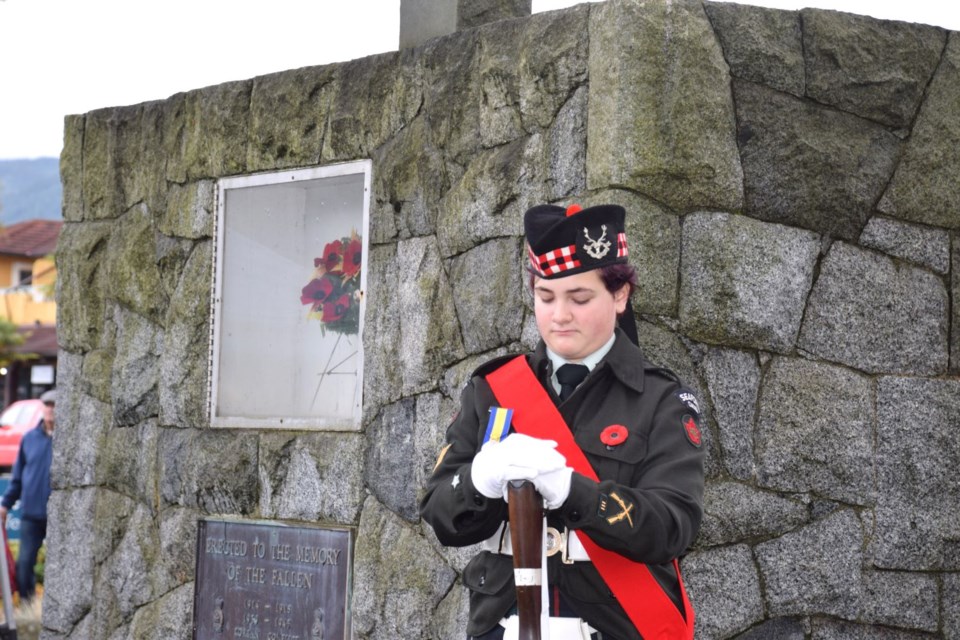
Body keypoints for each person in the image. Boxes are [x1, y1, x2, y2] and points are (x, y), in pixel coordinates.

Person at [420, 204, 705, 639]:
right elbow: (440, 515)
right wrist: (480, 478)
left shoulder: (660, 399)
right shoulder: (493, 389)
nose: (559, 316)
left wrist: (578, 493)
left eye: (580, 297)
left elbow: (672, 527)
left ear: (620, 295)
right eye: (545, 297)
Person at [0, 388, 55, 601]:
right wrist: (5, 504)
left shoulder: (67, 439)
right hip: (32, 514)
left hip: (58, 515)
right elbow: (18, 477)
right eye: (47, 405)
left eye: (54, 406)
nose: (50, 410)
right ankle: (27, 608)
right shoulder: (29, 438)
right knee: (24, 565)